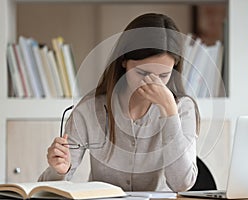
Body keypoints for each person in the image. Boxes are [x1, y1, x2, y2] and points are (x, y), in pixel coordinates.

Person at [39, 13, 200, 192]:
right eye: (143, 73)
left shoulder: (182, 108)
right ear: (124, 61)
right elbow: (49, 188)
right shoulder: (90, 109)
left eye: (164, 75)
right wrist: (60, 170)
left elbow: (182, 184)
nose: (153, 83)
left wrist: (170, 112)